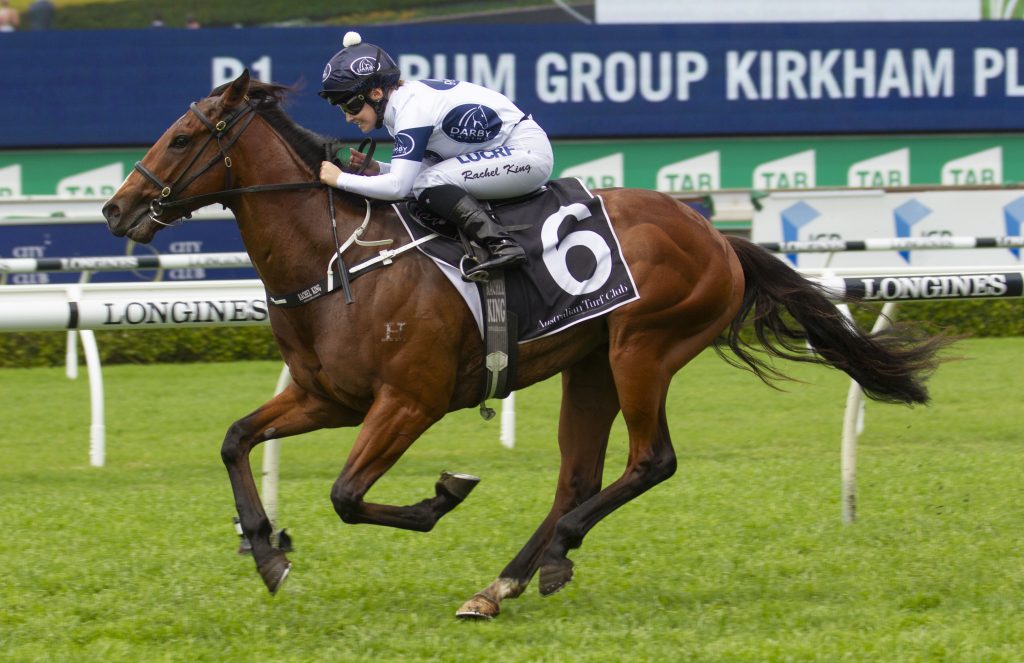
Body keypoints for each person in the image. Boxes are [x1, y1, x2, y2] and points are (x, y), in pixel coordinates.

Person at [317, 31, 554, 278]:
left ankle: (502, 245)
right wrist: (379, 169)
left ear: (376, 93)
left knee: (428, 183)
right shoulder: (399, 107)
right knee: (427, 183)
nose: (348, 117)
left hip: (526, 152)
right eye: (342, 108)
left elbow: (399, 187)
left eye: (351, 105)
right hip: (510, 150)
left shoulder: (411, 110)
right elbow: (424, 172)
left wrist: (340, 179)